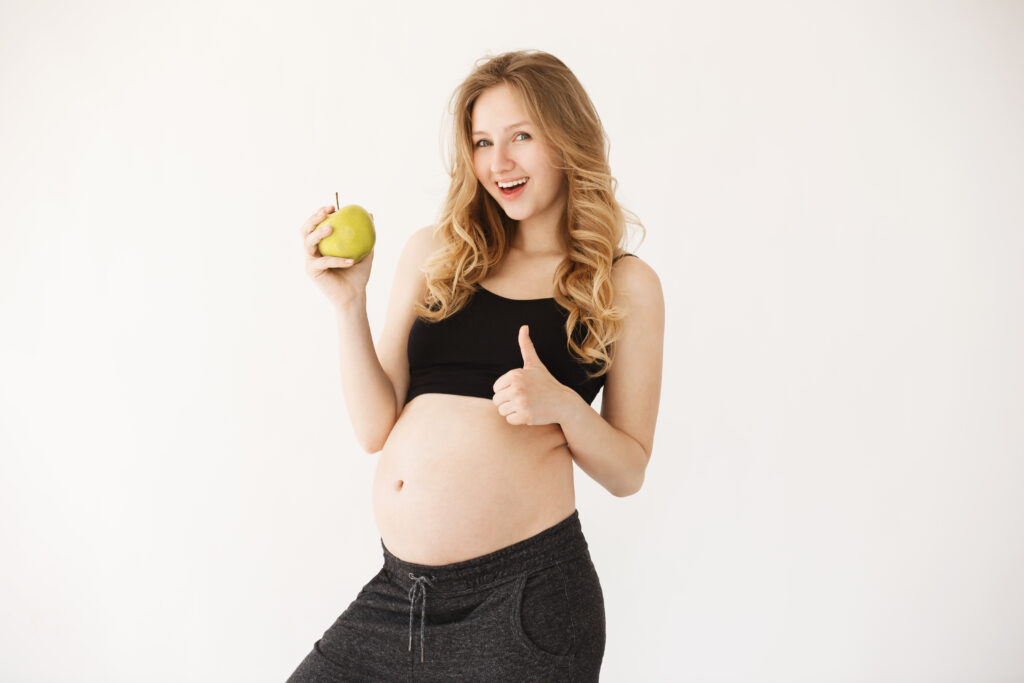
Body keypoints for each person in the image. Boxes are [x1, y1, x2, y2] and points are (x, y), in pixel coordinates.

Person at [287, 49, 664, 682]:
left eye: (521, 137)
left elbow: (629, 471)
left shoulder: (622, 285)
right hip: (400, 599)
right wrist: (349, 304)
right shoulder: (435, 253)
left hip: (523, 601)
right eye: (484, 142)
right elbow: (375, 428)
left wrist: (565, 407)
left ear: (567, 141)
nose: (499, 162)